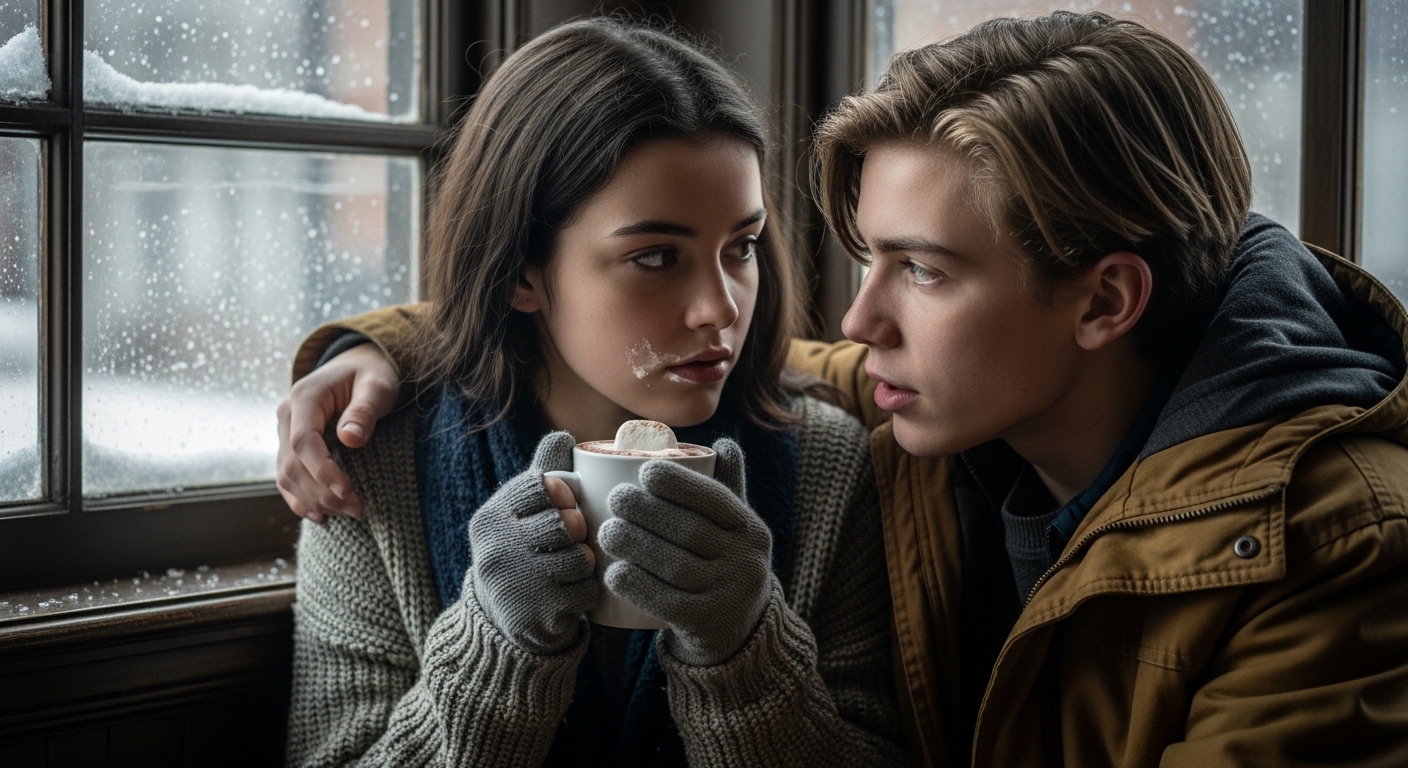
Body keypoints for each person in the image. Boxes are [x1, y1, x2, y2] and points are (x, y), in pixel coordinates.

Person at [281, 12, 1408, 767]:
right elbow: (596, 341)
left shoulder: (1342, 547)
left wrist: (739, 648)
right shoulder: (912, 408)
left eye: (921, 269)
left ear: (1106, 302)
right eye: (865, 258)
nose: (855, 324)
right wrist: (381, 352)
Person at [281, 17, 906, 768]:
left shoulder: (828, 468)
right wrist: (494, 638)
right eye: (654, 257)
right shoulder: (372, 470)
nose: (721, 308)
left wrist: (745, 649)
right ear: (521, 271)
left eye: (740, 248)